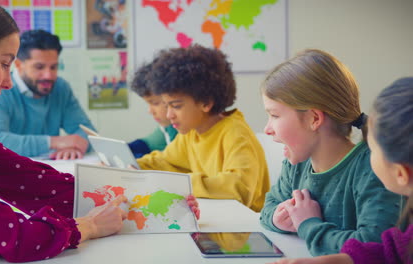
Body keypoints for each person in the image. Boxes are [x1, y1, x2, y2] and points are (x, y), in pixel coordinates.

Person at [0, 0, 199, 262]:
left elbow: (28, 179)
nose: (8, 82)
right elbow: (9, 236)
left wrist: (154, 203)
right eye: (4, 64)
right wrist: (87, 226)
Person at [259, 49, 402, 256]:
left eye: (274, 115)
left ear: (314, 119)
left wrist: (308, 225)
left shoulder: (373, 169)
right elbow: (270, 204)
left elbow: (373, 248)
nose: (267, 128)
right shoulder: (296, 163)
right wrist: (277, 218)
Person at [137, 45, 270, 212]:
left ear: (206, 103)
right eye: (166, 106)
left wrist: (184, 183)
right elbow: (166, 162)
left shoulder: (235, 133)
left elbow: (240, 187)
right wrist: (133, 166)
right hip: (216, 219)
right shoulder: (191, 131)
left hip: (244, 229)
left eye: (176, 106)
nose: (169, 114)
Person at [0, 29, 97, 160]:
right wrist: (55, 142)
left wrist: (74, 147)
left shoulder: (60, 88)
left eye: (53, 67)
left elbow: (89, 133)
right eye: (39, 67)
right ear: (18, 65)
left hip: (50, 170)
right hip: (7, 174)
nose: (48, 75)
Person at [128, 61, 178, 158]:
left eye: (155, 103)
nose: (150, 111)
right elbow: (149, 143)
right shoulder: (168, 126)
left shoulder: (183, 129)